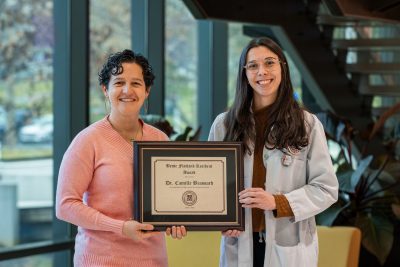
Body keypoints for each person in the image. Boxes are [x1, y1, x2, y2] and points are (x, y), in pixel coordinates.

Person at [208, 37, 338, 267]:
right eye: (253, 66)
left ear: (282, 68)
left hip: (289, 249)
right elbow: (210, 184)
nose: (262, 72)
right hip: (239, 245)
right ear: (244, 73)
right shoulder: (224, 124)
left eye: (269, 63)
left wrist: (278, 202)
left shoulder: (307, 124)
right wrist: (220, 218)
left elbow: (326, 188)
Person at [56, 49, 186, 267]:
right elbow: (65, 205)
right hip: (100, 260)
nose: (127, 90)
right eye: (118, 83)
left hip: (153, 260)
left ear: (147, 91)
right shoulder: (88, 140)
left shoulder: (160, 139)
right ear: (105, 90)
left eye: (136, 83)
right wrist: (120, 227)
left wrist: (177, 221)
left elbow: (170, 199)